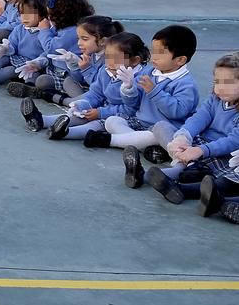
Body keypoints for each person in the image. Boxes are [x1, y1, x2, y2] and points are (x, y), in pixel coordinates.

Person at [128, 53, 239, 205]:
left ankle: (146, 177)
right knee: (162, 127)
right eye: (217, 82)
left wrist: (200, 151)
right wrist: (183, 136)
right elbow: (199, 118)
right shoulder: (216, 99)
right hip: (199, 144)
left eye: (228, 83)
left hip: (222, 153)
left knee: (214, 174)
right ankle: (182, 162)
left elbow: (233, 141)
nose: (220, 88)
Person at [85, 24, 200, 154]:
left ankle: (110, 140)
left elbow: (177, 112)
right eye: (154, 51)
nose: (154, 56)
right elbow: (133, 104)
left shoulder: (186, 84)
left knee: (153, 134)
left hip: (164, 128)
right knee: (112, 121)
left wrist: (154, 91)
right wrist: (128, 88)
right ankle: (146, 148)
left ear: (180, 60)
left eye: (160, 53)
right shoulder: (149, 71)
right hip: (139, 123)